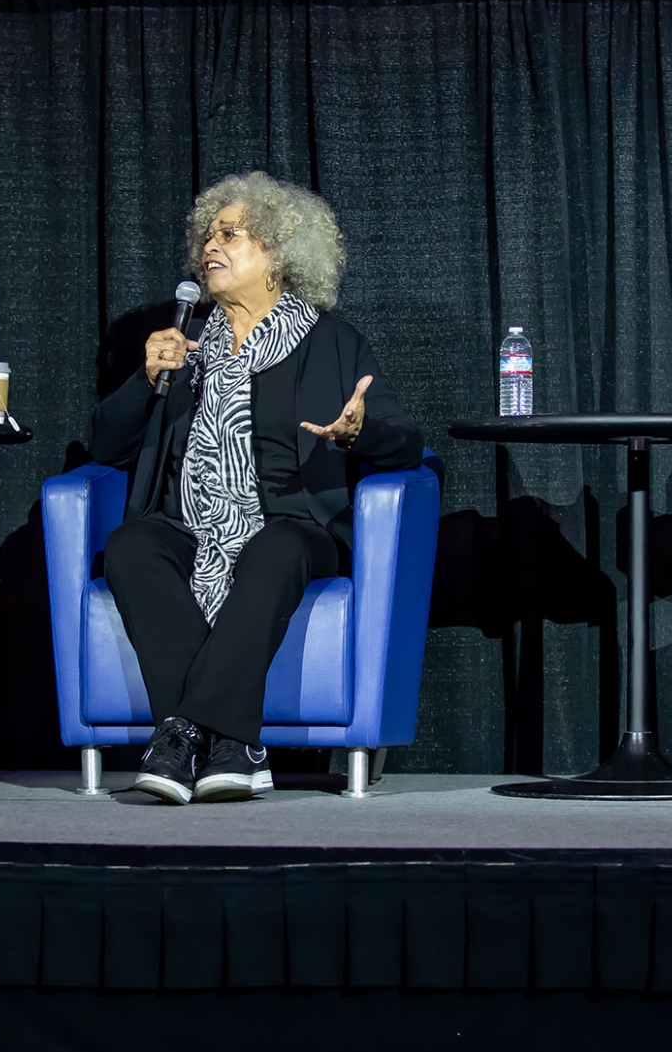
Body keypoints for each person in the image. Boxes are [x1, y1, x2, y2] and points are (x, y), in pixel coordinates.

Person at [91, 172, 423, 804]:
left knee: (274, 550)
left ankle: (181, 735)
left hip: (295, 527)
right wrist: (144, 378)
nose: (210, 248)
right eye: (208, 236)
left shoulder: (331, 341)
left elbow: (407, 443)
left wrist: (359, 433)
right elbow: (108, 446)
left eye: (231, 235)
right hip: (190, 526)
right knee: (132, 544)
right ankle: (228, 745)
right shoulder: (183, 349)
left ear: (279, 254)